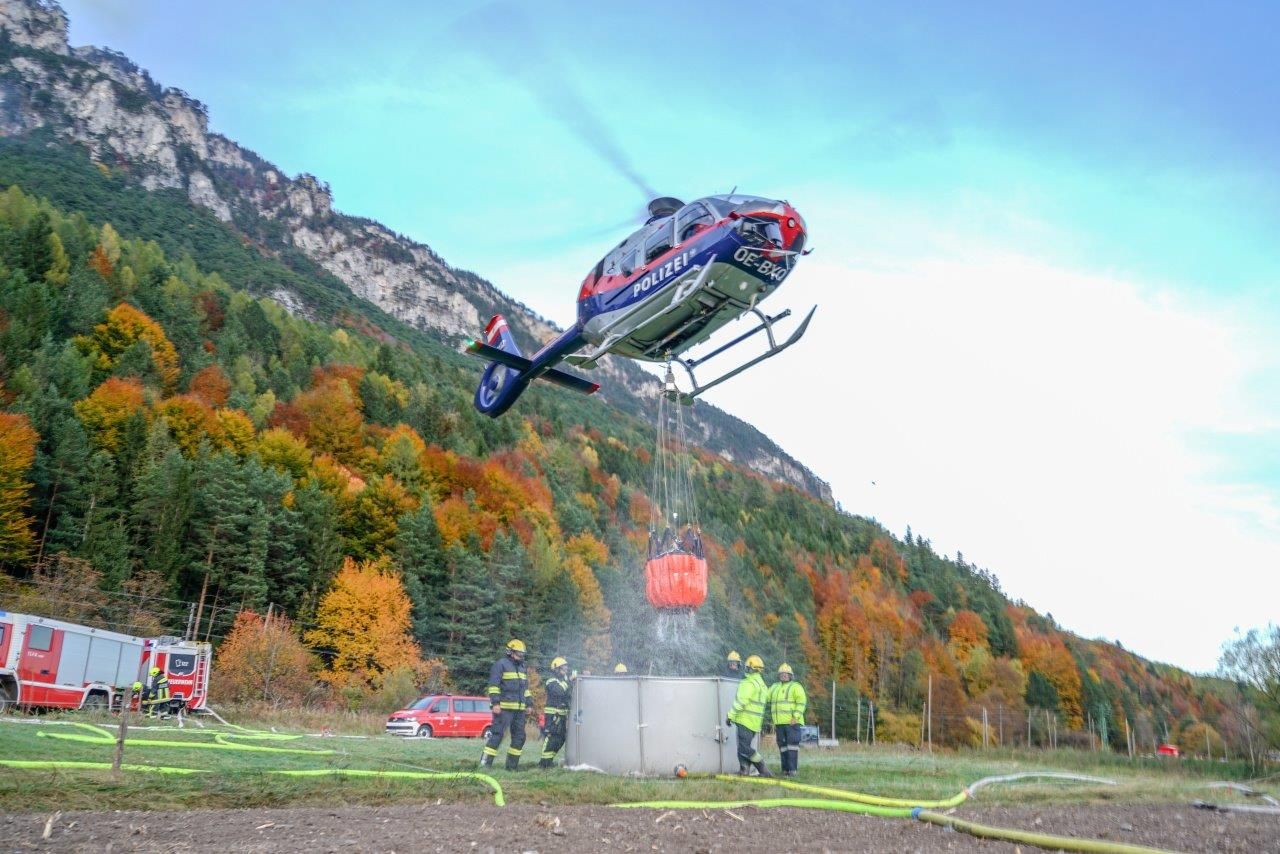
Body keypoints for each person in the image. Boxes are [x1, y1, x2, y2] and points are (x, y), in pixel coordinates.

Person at [482, 639, 534, 770]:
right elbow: (493, 686)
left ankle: (511, 767)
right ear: (510, 652)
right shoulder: (500, 665)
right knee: (497, 736)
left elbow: (525, 689)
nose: (521, 656)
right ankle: (484, 764)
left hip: (519, 710)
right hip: (503, 709)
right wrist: (495, 703)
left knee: (519, 738)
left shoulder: (522, 668)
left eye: (522, 654)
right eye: (518, 653)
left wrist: (529, 704)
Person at [727, 654, 771, 777]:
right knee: (742, 747)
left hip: (745, 720)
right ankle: (744, 770)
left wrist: (730, 715)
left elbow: (741, 702)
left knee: (744, 748)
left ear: (750, 668)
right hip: (754, 723)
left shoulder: (748, 682)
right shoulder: (762, 684)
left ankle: (763, 769)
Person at [768, 663, 807, 776]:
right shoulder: (774, 687)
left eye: (786, 674)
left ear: (791, 676)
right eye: (782, 674)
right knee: (783, 747)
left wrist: (796, 716)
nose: (784, 676)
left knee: (792, 747)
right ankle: (785, 770)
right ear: (779, 675)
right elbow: (765, 696)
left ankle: (792, 770)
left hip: (792, 723)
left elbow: (801, 702)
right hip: (779, 723)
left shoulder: (796, 686)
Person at [539, 656, 572, 769]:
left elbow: (568, 695)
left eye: (566, 668)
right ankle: (543, 763)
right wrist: (568, 681)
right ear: (556, 669)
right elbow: (559, 692)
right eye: (563, 668)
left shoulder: (564, 681)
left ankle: (549, 761)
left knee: (561, 738)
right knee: (551, 737)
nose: (566, 670)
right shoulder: (551, 681)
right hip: (553, 715)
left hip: (562, 715)